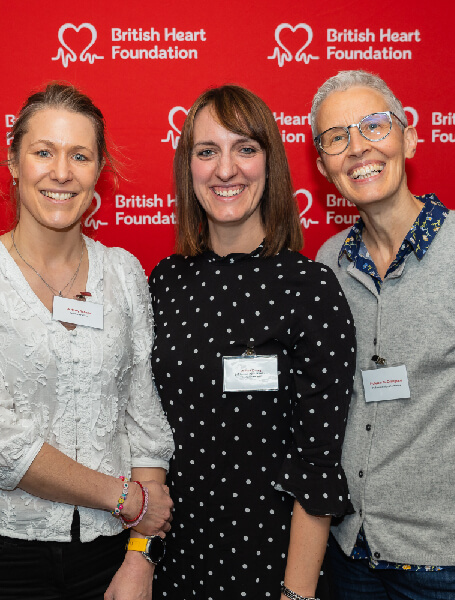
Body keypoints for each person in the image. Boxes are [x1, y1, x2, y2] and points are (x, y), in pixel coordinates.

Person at [0, 82, 175, 600]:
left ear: (98, 171)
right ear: (14, 164)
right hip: (4, 555)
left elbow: (145, 420)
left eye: (79, 155)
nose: (61, 172)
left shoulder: (124, 272)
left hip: (112, 553)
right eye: (43, 152)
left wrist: (140, 556)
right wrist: (122, 496)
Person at [312, 70, 455, 600]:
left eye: (374, 126)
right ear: (323, 166)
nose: (358, 148)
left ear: (408, 136)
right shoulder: (328, 264)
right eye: (337, 138)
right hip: (352, 554)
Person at [149, 84, 356, 600]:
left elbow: (319, 466)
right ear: (188, 167)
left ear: (270, 163)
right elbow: (142, 433)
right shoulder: (165, 282)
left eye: (245, 148)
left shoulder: (310, 288)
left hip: (274, 567)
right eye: (207, 151)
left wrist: (297, 594)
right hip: (174, 562)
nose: (226, 170)